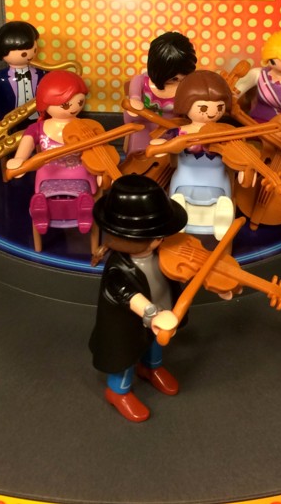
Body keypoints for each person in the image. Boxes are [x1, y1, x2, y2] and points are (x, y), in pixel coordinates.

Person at [88, 174, 188, 422]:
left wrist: (218, 281)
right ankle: (118, 392)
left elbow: (178, 271)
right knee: (125, 358)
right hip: (129, 325)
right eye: (155, 235)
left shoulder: (161, 253)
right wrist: (152, 313)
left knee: (155, 346)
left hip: (159, 314)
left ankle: (151, 368)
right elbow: (126, 293)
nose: (161, 239)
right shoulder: (118, 268)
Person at [6, 70, 97, 234]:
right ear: (45, 103)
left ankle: (84, 212)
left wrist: (102, 170)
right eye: (66, 105)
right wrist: (19, 159)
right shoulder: (37, 128)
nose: (74, 108)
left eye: (80, 102)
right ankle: (42, 213)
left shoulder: (87, 126)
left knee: (84, 193)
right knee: (44, 195)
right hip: (48, 173)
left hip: (80, 170)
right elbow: (25, 146)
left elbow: (97, 150)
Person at [151, 71, 236, 239]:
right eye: (203, 108)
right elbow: (164, 143)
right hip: (186, 176)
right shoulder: (180, 131)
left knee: (224, 197)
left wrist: (245, 170)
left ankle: (222, 216)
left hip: (217, 178)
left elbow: (239, 155)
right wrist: (161, 145)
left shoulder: (226, 132)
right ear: (186, 104)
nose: (212, 113)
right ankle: (178, 213)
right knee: (177, 195)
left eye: (219, 107)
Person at [124, 32, 197, 153]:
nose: (179, 79)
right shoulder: (143, 82)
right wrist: (135, 99)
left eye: (185, 73)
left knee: (182, 151)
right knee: (140, 149)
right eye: (173, 77)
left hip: (174, 129)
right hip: (145, 125)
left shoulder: (187, 86)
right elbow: (134, 97)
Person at [0, 21, 46, 136]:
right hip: (11, 122)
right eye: (23, 53)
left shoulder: (42, 73)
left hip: (38, 119)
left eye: (33, 49)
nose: (29, 54)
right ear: (3, 51)